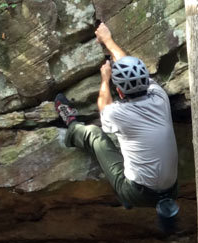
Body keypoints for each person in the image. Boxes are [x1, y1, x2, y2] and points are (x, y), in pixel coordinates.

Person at [54, 23, 179, 214]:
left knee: (94, 134)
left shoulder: (117, 114)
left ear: (119, 91)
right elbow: (127, 63)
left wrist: (105, 79)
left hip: (137, 193)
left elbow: (104, 107)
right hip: (172, 191)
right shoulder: (159, 96)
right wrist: (108, 40)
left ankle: (71, 126)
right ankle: (128, 193)